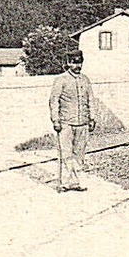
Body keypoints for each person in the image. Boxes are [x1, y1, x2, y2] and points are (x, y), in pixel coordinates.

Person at [48, 49, 95, 192]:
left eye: (79, 63)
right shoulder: (61, 79)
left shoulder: (85, 80)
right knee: (66, 153)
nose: (77, 66)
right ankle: (64, 183)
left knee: (79, 154)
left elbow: (90, 100)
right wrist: (55, 120)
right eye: (74, 63)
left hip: (83, 123)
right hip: (66, 123)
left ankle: (75, 181)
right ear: (68, 63)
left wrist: (92, 118)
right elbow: (54, 101)